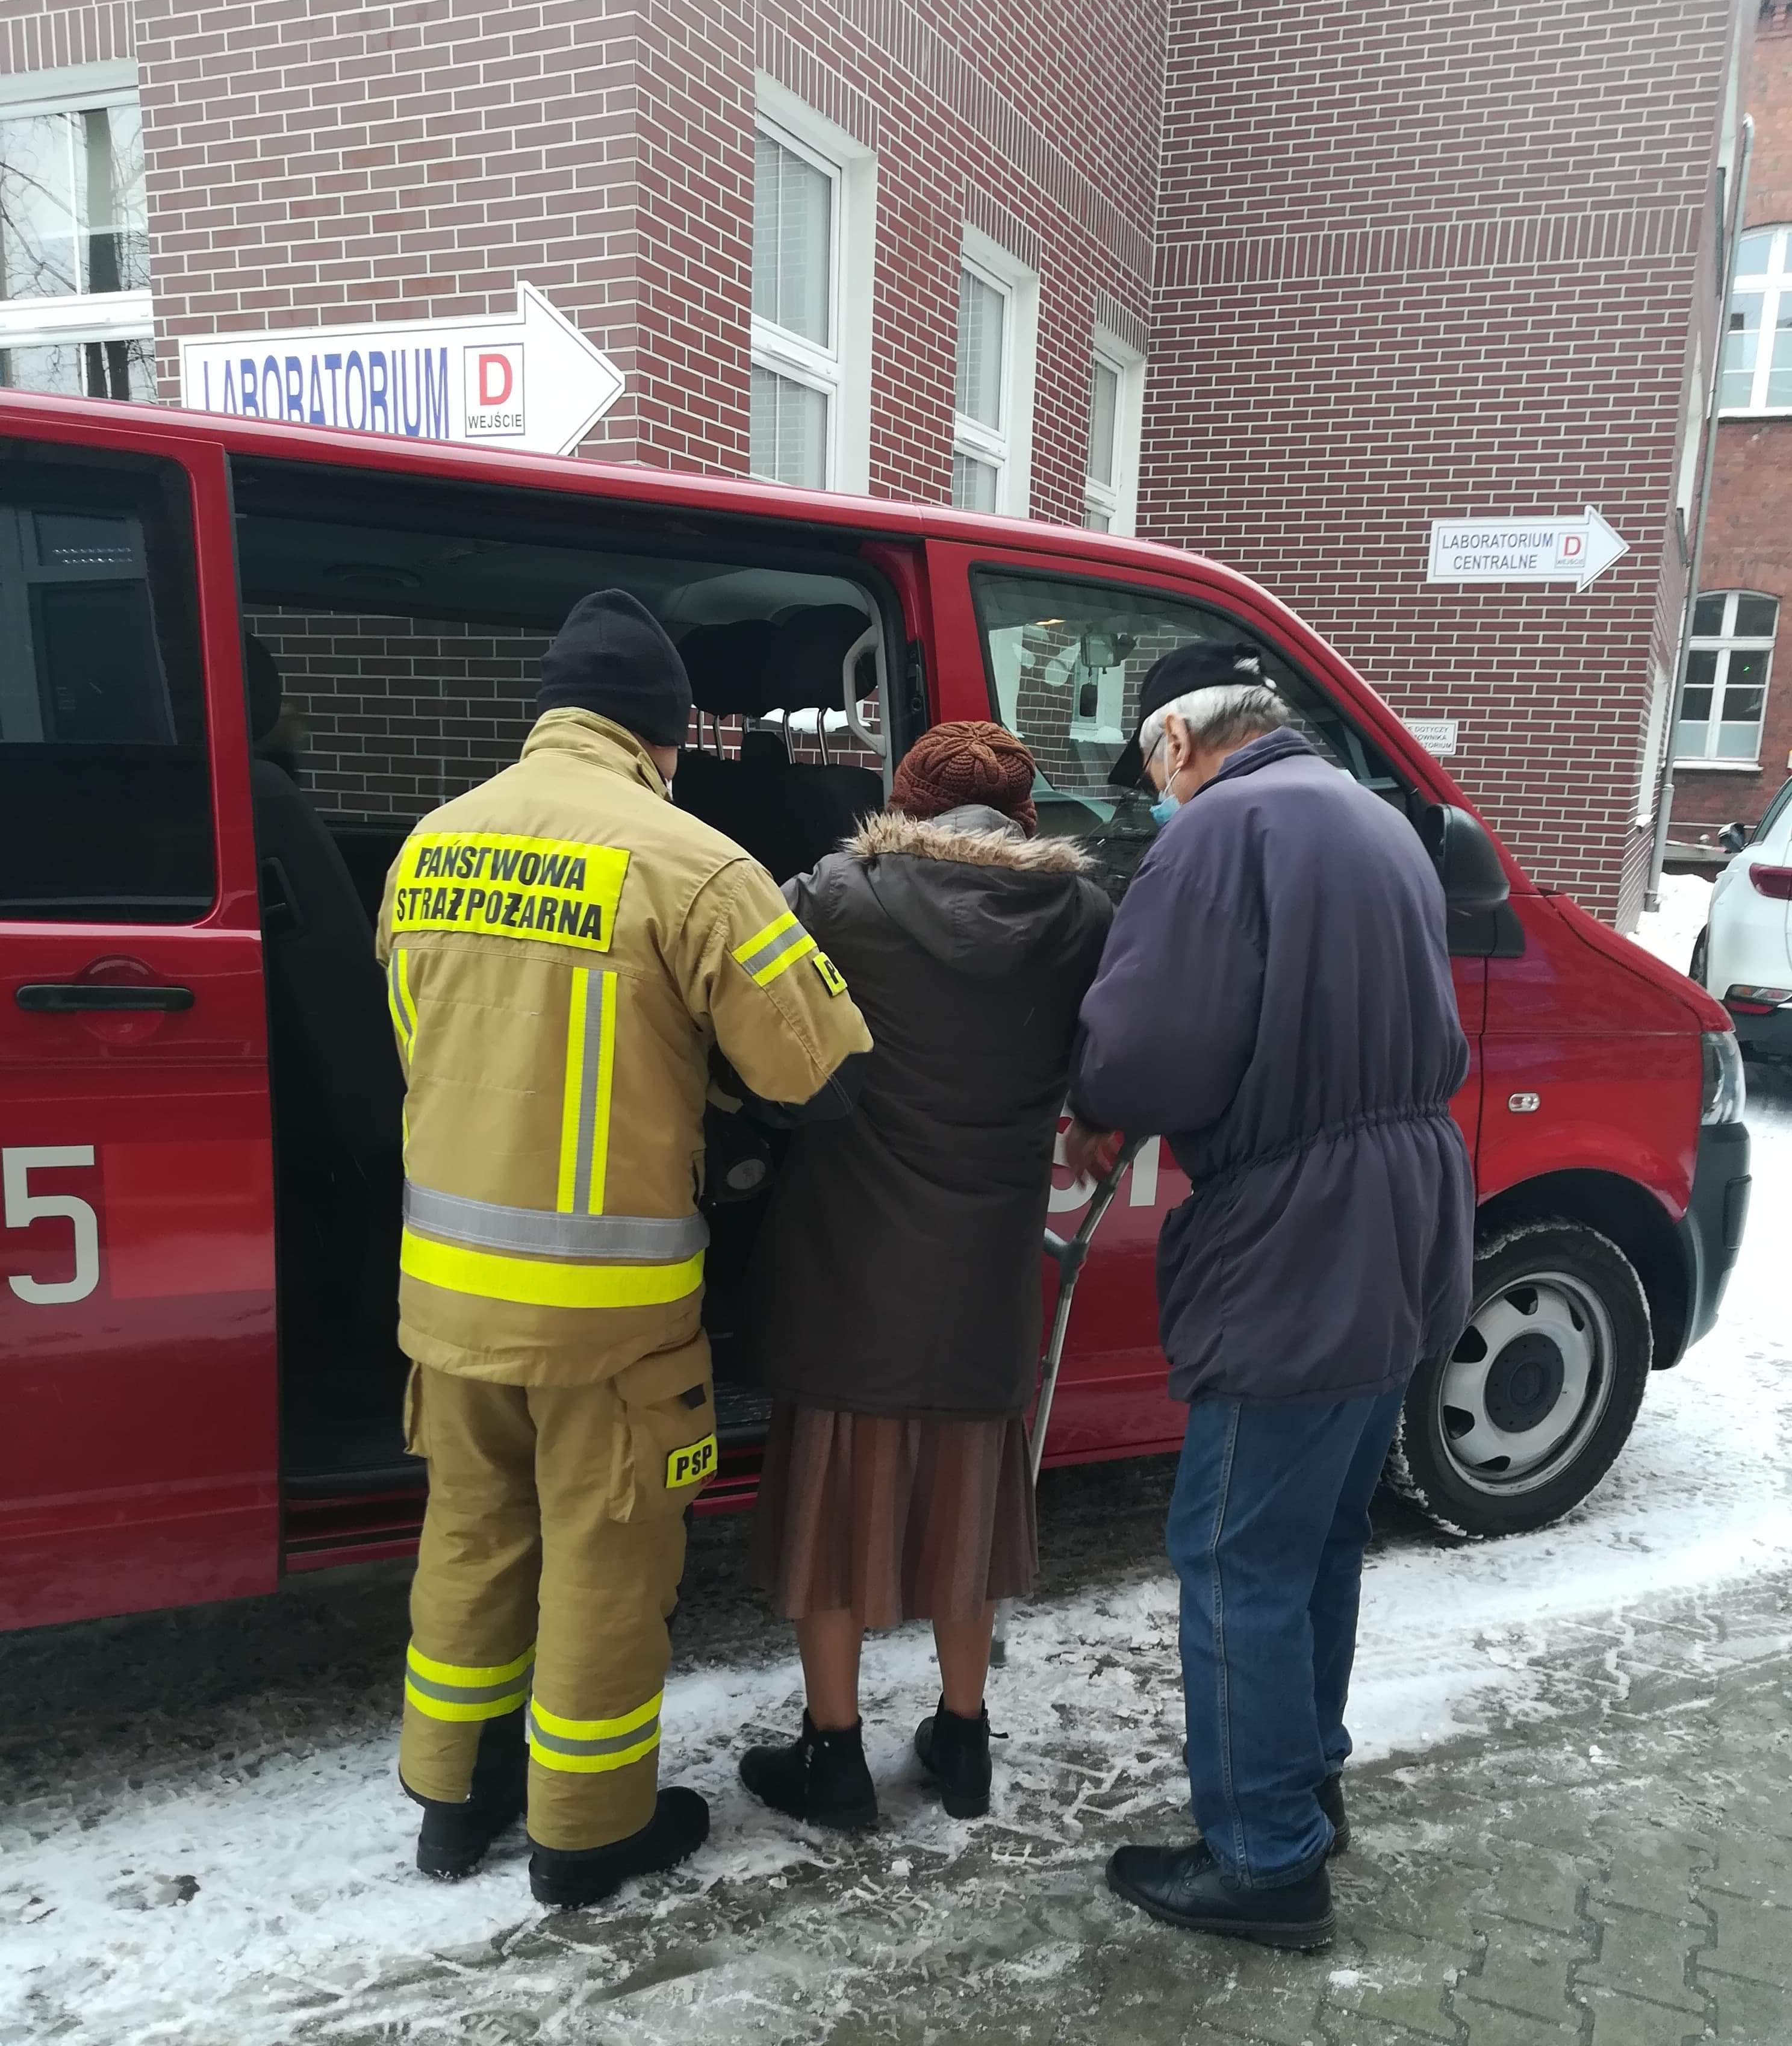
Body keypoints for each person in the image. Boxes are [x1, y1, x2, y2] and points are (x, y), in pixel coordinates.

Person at [377, 590, 871, 1907]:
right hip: (612, 1314)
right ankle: (587, 1834)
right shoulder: (694, 862)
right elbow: (817, 1072)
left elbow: (429, 1050)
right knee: (605, 1556)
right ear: (666, 738)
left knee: (472, 1537)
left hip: (448, 1293)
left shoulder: (429, 844)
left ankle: (452, 1799)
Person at [1065, 645, 1473, 1950]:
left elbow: (1147, 1046)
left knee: (1237, 1547)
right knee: (1318, 1536)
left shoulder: (1222, 833)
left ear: (1180, 736)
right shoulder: (1374, 815)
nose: (1151, 793)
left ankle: (1263, 1858)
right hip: (1407, 1211)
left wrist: (1096, 1113)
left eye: (1148, 766)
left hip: (1302, 1229)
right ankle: (1307, 1784)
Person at [737, 720, 1112, 1827]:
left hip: (847, 1268)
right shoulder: (1083, 916)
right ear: (1025, 819)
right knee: (967, 1512)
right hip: (985, 1274)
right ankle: (963, 1742)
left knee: (834, 1510)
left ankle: (834, 1755)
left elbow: (767, 1046)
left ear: (904, 804)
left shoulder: (832, 895)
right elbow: (1119, 1048)